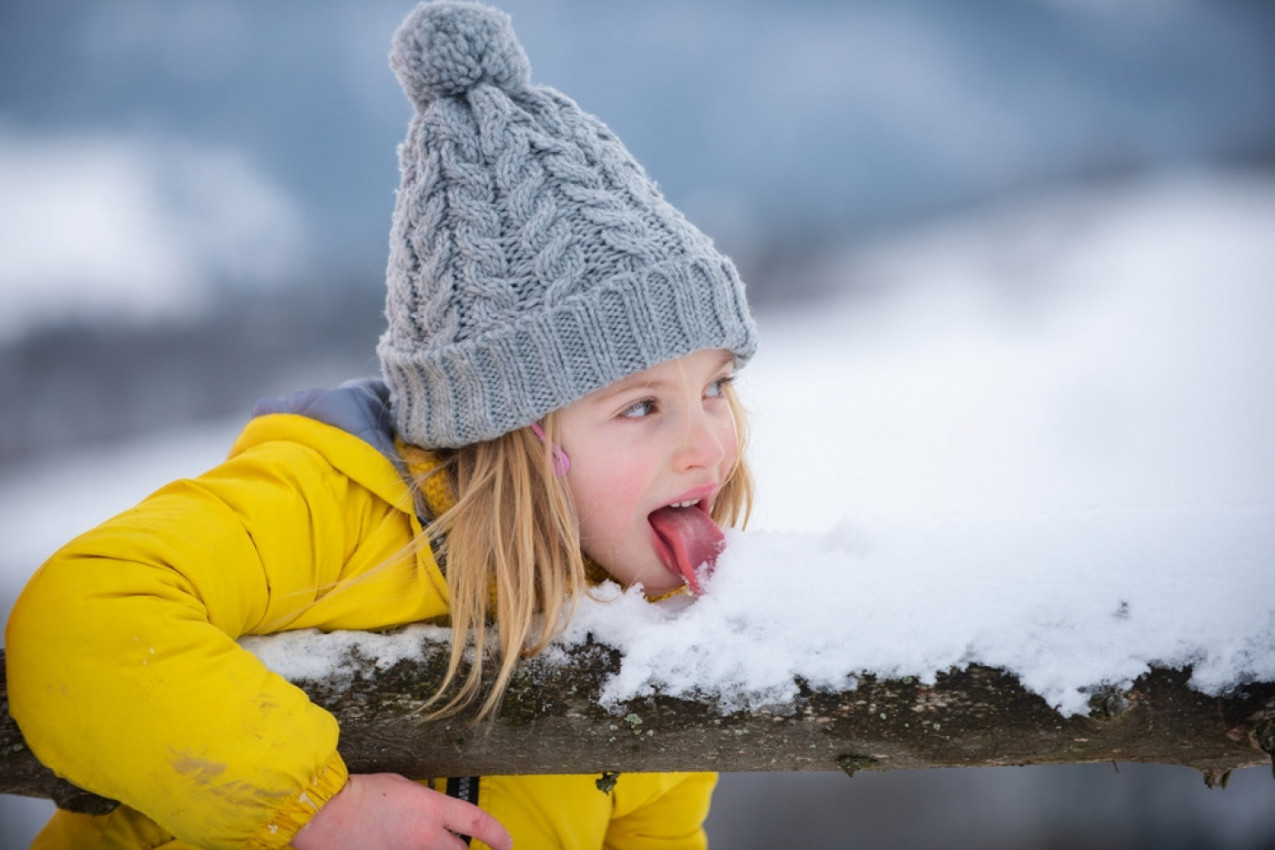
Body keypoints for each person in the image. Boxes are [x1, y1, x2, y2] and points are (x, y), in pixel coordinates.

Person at [4, 2, 758, 848]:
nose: (709, 447)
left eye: (717, 387)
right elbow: (84, 618)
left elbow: (655, 830)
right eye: (642, 406)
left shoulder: (655, 614)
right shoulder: (327, 509)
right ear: (507, 430)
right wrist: (310, 809)